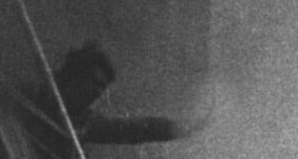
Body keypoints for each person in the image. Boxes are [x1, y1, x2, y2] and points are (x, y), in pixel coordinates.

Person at [47, 41, 193, 146]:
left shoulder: (85, 121)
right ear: (76, 75)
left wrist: (180, 127)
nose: (98, 93)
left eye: (102, 88)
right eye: (95, 83)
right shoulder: (36, 96)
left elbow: (135, 128)